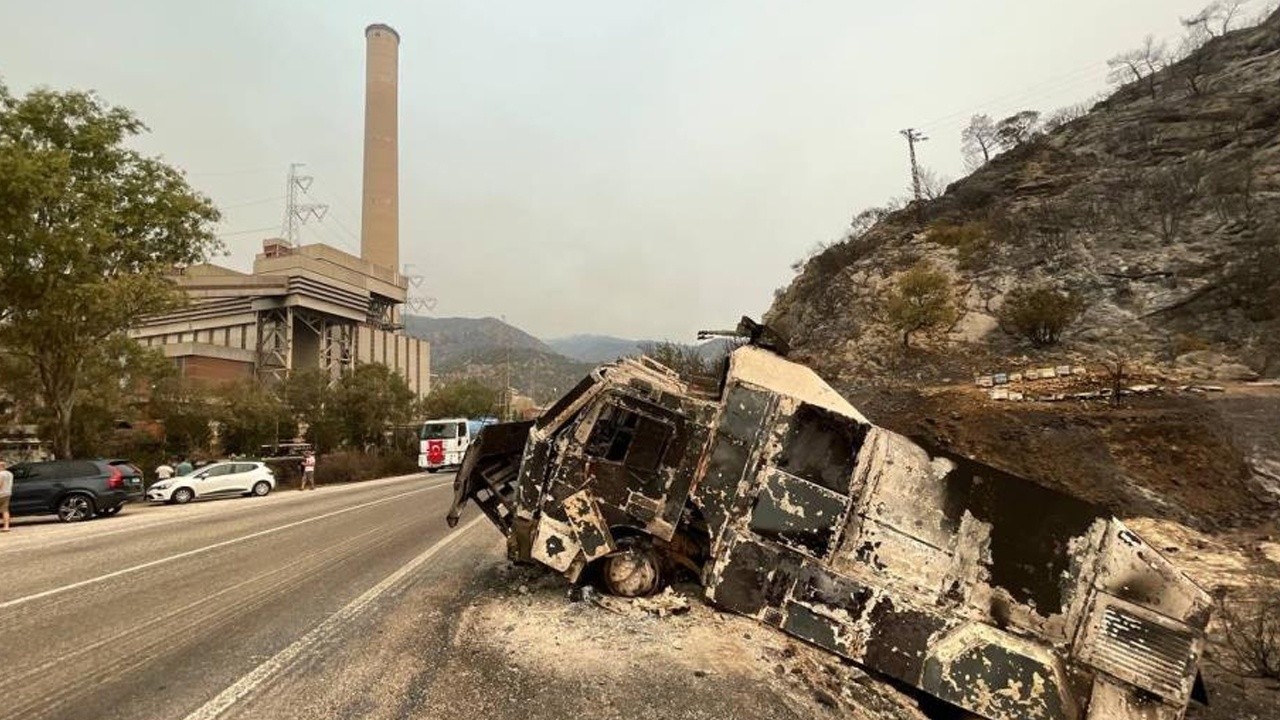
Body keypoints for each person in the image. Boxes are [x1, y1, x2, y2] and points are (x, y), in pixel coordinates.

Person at [0, 459, 13, 533]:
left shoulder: (0, 474)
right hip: (8, 493)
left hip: (0, 494)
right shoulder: (10, 474)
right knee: (5, 510)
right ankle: (6, 526)